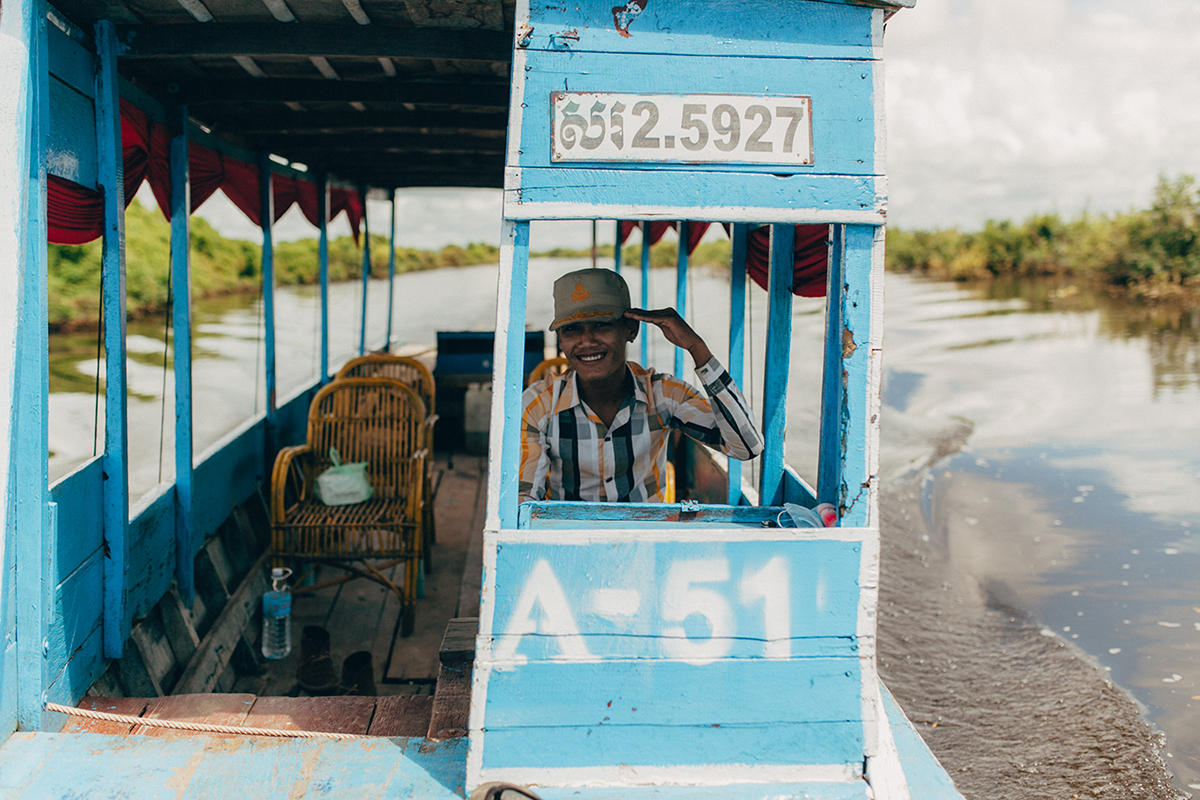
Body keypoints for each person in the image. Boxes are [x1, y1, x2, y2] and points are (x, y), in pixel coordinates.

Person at [519, 267, 763, 504]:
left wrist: (696, 347)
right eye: (572, 330)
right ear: (560, 340)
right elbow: (524, 496)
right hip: (570, 539)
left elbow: (746, 447)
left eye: (601, 325)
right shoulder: (538, 405)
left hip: (645, 536)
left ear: (630, 329)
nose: (587, 341)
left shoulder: (663, 395)